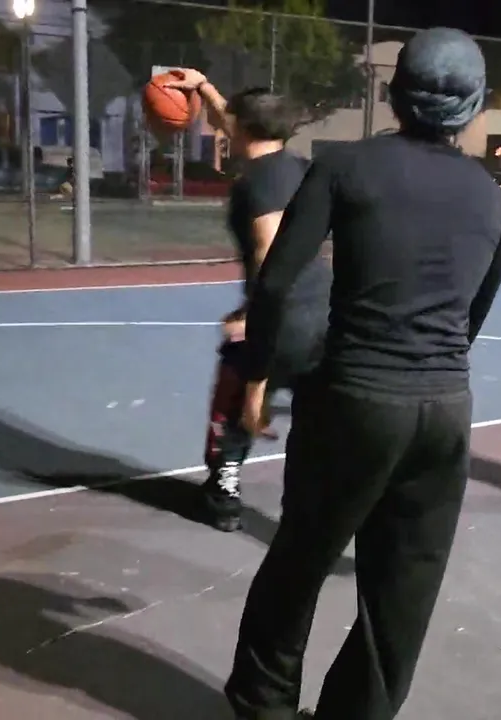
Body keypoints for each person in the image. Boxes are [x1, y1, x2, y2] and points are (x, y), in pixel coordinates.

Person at [224, 28, 501, 720]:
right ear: (474, 106)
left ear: (394, 93)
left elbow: (275, 283)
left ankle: (264, 706)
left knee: (300, 561)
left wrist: (257, 379)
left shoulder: (345, 167)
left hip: (353, 399)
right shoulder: (489, 196)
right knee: (402, 592)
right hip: (444, 408)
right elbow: (474, 314)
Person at [161, 72, 332, 533]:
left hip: (281, 315)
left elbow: (269, 252)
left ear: (242, 128)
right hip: (322, 311)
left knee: (235, 407)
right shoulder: (296, 167)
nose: (222, 124)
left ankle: (223, 496)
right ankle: (322, 503)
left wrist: (252, 314)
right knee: (317, 414)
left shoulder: (257, 183)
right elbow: (233, 119)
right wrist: (204, 87)